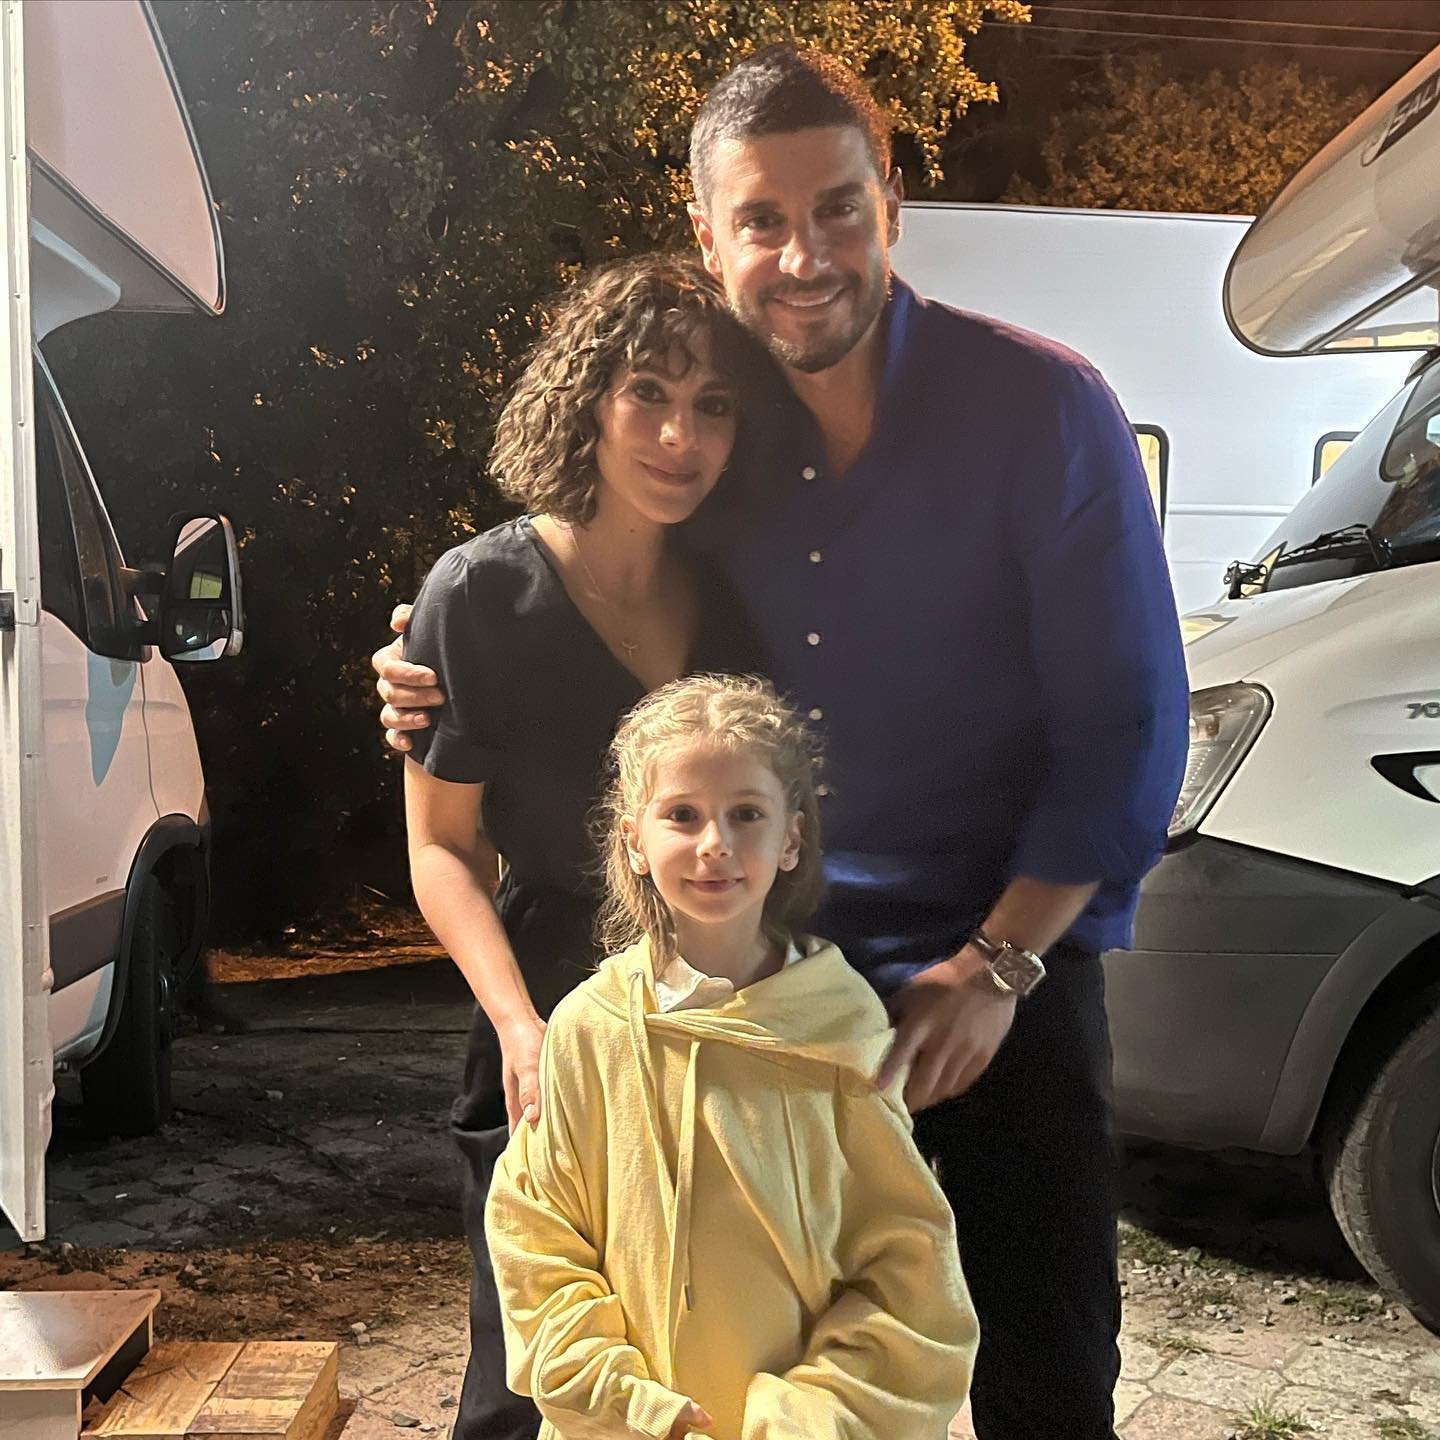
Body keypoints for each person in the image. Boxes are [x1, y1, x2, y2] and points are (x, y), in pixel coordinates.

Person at [378, 47, 1190, 1440]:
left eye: (837, 210)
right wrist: (431, 652)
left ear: (893, 207)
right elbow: (572, 580)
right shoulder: (722, 427)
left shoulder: (1041, 408)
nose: (803, 258)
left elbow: (1128, 724)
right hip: (768, 992)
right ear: (709, 234)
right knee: (740, 1369)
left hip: (999, 983)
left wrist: (997, 966)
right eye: (761, 219)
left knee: (1044, 1375)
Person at [402, 254, 766, 1440]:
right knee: (532, 1378)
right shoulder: (478, 593)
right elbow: (441, 849)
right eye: (647, 393)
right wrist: (520, 1025)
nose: (679, 436)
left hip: (722, 1012)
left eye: (713, 404)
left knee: (703, 1372)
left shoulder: (738, 599)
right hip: (552, 1007)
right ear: (587, 400)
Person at [485, 674, 978, 1440]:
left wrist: (808, 1420)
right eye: (682, 815)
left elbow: (907, 1267)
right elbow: (536, 1236)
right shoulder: (590, 1030)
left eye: (745, 814)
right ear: (634, 841)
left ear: (791, 839)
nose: (714, 844)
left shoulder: (841, 1032)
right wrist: (624, 1398)